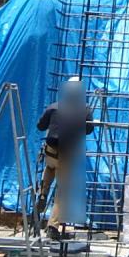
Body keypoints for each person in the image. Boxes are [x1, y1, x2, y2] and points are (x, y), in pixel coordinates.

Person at [36, 78, 95, 239]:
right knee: (62, 191)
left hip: (50, 151)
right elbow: (89, 130)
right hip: (66, 154)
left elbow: (40, 126)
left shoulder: (54, 107)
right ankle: (53, 226)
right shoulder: (84, 110)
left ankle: (43, 192)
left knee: (50, 167)